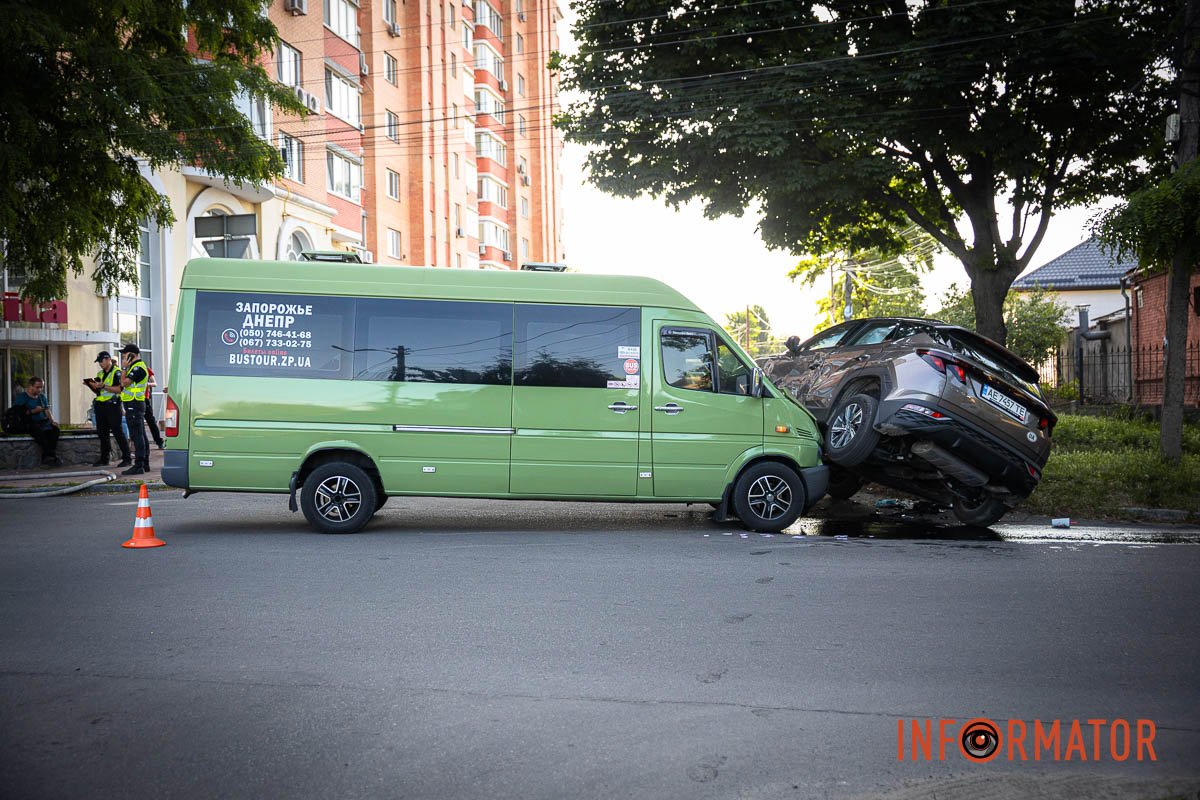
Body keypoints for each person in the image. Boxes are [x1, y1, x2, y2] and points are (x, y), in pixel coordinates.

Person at [83, 350, 131, 467]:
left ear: (108, 359)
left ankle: (127, 458)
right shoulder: (100, 374)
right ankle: (104, 459)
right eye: (99, 362)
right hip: (101, 406)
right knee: (102, 433)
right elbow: (98, 392)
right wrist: (92, 386)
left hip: (113, 405)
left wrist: (103, 386)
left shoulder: (117, 372)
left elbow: (119, 389)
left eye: (101, 361)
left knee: (117, 431)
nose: (100, 364)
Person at [118, 343, 151, 476]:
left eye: (125, 355)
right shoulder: (136, 367)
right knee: (140, 434)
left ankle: (139, 465)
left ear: (131, 355)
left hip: (134, 404)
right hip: (134, 403)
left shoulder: (137, 368)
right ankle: (144, 464)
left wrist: (124, 367)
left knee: (137, 435)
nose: (123, 358)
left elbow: (124, 383)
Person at [14, 377, 60, 467]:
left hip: (42, 422)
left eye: (41, 387)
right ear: (30, 386)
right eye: (37, 387)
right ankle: (51, 455)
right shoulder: (22, 397)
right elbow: (17, 413)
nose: (39, 389)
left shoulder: (42, 397)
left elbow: (47, 410)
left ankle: (48, 456)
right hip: (29, 423)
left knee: (55, 430)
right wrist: (33, 411)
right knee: (40, 433)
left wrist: (53, 421)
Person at [144, 365, 165, 449]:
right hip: (133, 400)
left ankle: (159, 441)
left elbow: (154, 383)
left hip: (144, 398)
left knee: (151, 421)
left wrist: (147, 384)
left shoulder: (146, 369)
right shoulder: (128, 369)